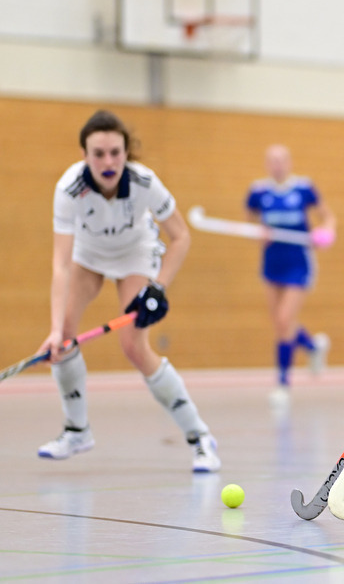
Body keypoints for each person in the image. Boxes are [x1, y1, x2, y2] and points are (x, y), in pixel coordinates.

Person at [39, 109, 221, 473]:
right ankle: (77, 430)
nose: (108, 162)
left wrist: (158, 287)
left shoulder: (144, 182)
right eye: (98, 153)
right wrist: (56, 330)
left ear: (126, 152)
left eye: (115, 152)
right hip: (89, 256)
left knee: (134, 347)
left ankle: (199, 436)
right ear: (84, 155)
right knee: (65, 343)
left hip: (135, 254)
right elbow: (60, 264)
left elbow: (181, 236)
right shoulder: (69, 189)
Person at [246, 144, 336, 404]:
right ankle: (313, 347)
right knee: (280, 323)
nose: (277, 165)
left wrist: (325, 233)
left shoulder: (303, 188)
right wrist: (258, 231)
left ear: (289, 162)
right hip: (272, 263)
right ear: (267, 164)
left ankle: (283, 384)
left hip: (299, 262)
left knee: (285, 319)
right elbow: (250, 219)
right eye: (272, 161)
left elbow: (327, 217)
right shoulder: (258, 191)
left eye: (281, 160)